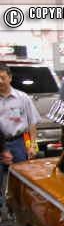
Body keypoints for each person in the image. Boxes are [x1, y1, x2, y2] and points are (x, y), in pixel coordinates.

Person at [0, 64, 40, 216]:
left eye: (2, 77)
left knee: (20, 179)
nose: (0, 81)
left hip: (19, 142)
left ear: (9, 78)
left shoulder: (22, 98)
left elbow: (31, 124)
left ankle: (18, 210)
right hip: (0, 143)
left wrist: (32, 145)